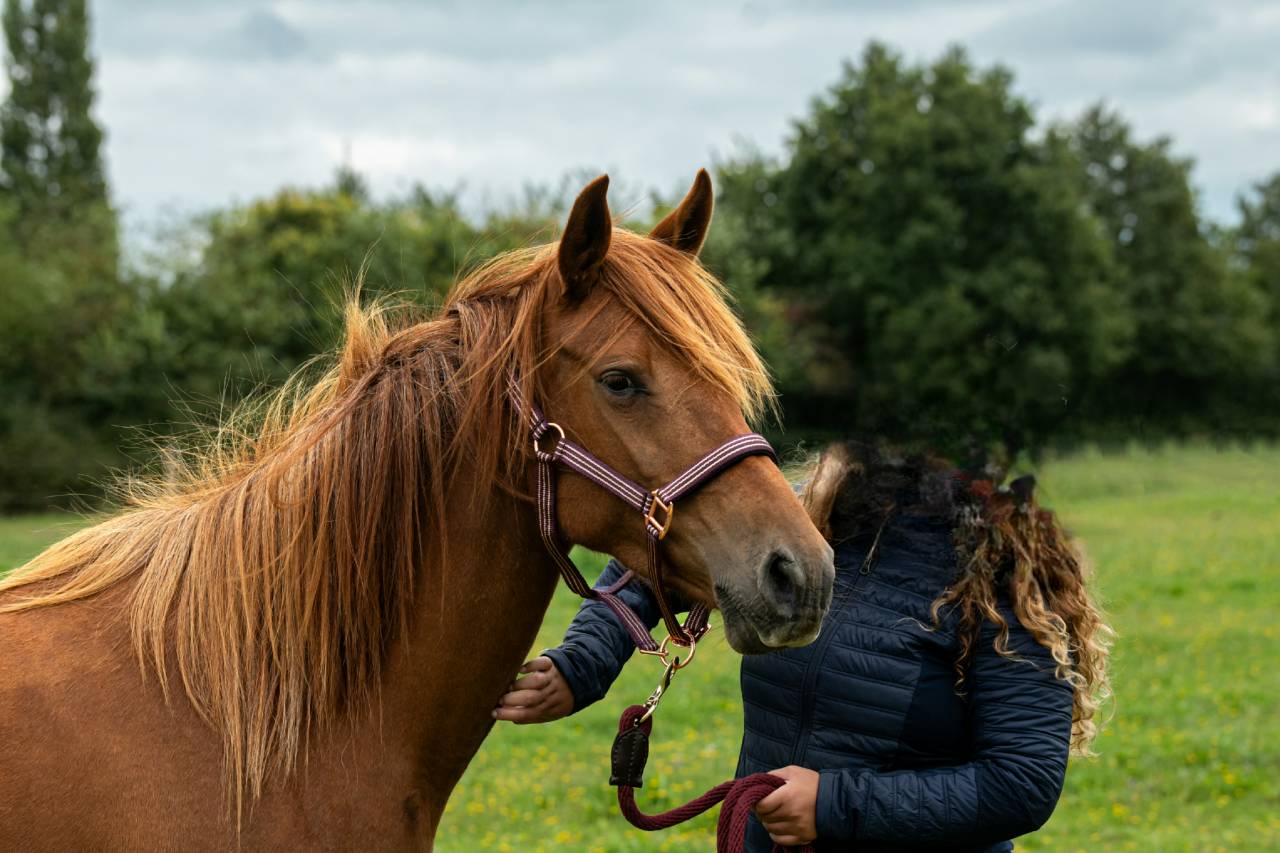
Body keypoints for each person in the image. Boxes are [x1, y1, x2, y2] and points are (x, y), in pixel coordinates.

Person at [495, 443, 1112, 851]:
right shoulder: (817, 515)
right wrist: (584, 662)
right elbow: (655, 555)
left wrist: (834, 805)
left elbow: (1020, 783)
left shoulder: (1014, 578)